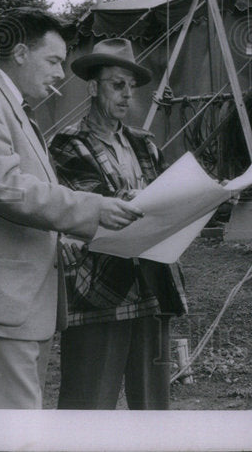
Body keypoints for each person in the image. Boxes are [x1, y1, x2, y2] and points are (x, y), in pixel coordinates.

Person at [0, 7, 145, 409]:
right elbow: (6, 189)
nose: (61, 74)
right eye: (53, 61)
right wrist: (94, 208)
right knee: (8, 431)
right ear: (21, 53)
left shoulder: (9, 107)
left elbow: (23, 192)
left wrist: (72, 228)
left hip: (12, 305)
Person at [48, 38, 187, 410]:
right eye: (117, 85)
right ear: (93, 88)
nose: (127, 95)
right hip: (98, 289)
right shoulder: (67, 144)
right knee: (88, 401)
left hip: (151, 283)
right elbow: (91, 207)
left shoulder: (145, 144)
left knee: (153, 404)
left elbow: (168, 198)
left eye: (131, 86)